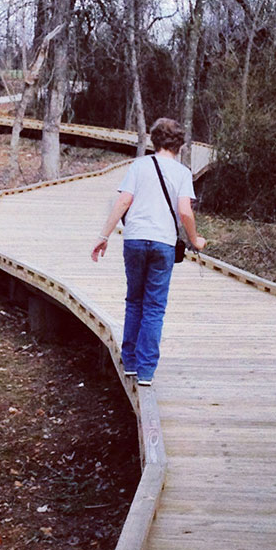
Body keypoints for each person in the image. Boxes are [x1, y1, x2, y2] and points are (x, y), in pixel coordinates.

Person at [91, 117, 206, 386]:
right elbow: (185, 210)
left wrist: (103, 236)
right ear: (180, 143)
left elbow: (123, 201)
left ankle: (129, 362)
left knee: (134, 301)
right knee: (154, 306)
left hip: (134, 239)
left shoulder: (139, 166)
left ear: (154, 140)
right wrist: (195, 239)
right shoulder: (182, 173)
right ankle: (145, 371)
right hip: (163, 243)